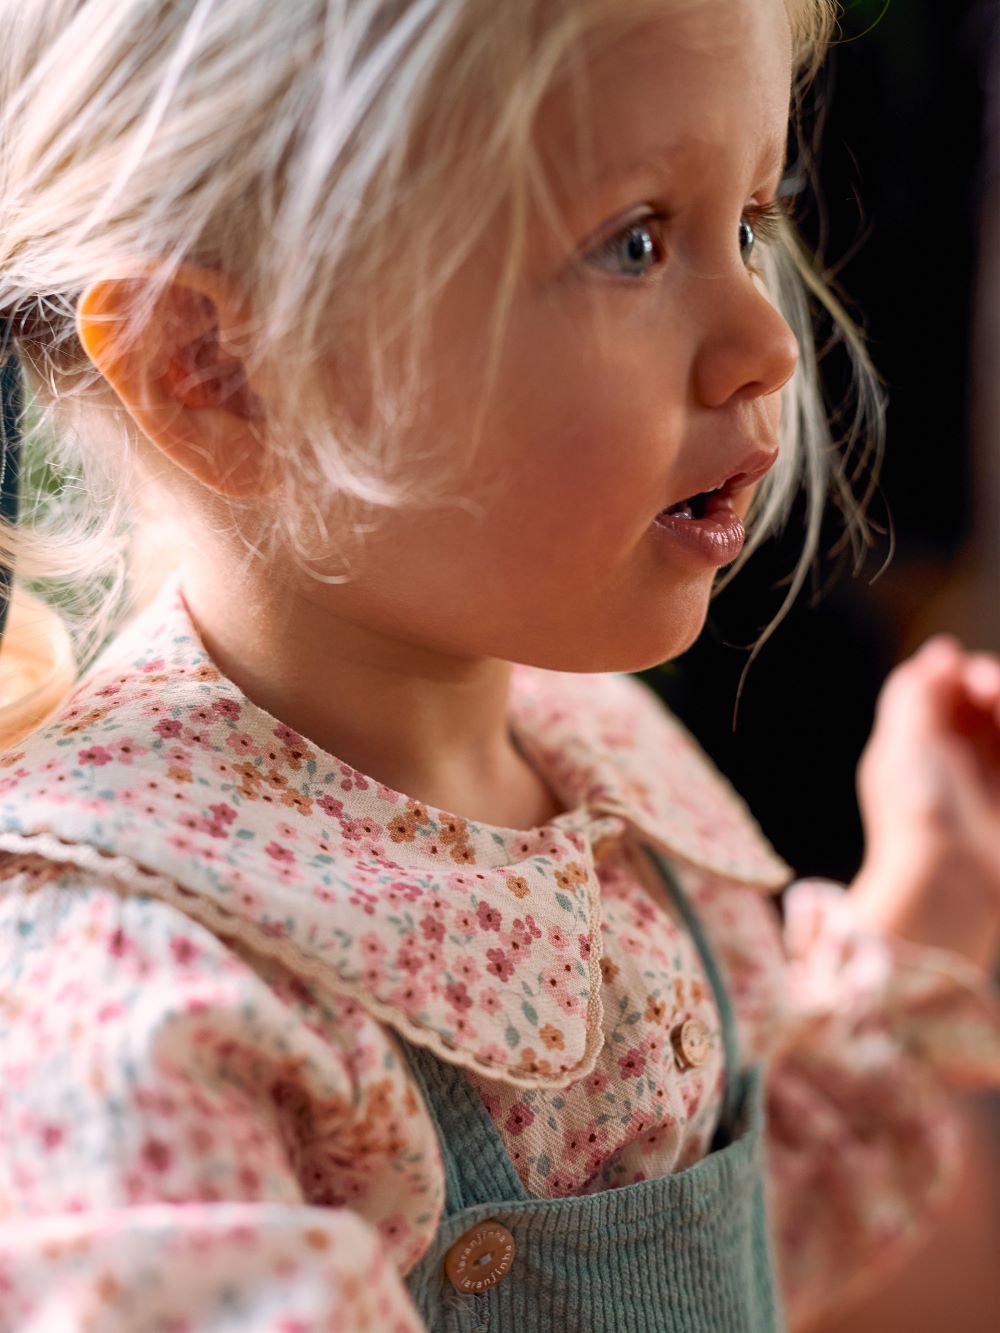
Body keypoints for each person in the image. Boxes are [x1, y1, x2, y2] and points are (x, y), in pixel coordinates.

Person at [0, 1, 997, 1329]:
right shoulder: (138, 999)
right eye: (634, 243)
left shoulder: (596, 758)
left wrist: (937, 889)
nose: (764, 339)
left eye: (748, 223)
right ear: (213, 371)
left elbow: (747, 1256)